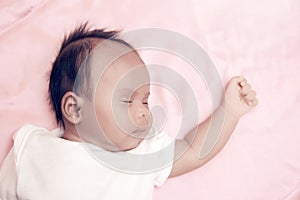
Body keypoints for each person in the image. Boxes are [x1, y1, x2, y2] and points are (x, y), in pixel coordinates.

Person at [0, 23, 258, 200]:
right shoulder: (31, 146)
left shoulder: (141, 153)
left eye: (146, 101)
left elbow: (193, 149)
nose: (144, 113)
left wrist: (230, 111)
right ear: (74, 108)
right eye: (127, 101)